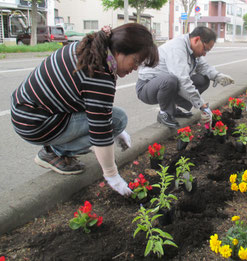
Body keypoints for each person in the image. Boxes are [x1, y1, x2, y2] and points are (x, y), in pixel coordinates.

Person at [11, 23, 159, 196]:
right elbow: (100, 131)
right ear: (119, 52)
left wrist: (114, 131)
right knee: (118, 121)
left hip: (26, 110)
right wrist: (112, 176)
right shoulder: (100, 74)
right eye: (135, 61)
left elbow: (92, 105)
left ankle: (55, 148)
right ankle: (53, 152)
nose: (135, 68)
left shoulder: (90, 48)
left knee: (115, 121)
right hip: (34, 123)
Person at [136, 26, 235, 128]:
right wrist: (202, 106)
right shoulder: (177, 49)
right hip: (147, 87)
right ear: (196, 40)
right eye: (205, 49)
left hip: (166, 85)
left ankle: (173, 109)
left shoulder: (192, 49)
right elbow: (182, 81)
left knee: (203, 80)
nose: (204, 54)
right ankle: (164, 113)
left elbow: (203, 67)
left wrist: (217, 76)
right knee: (171, 80)